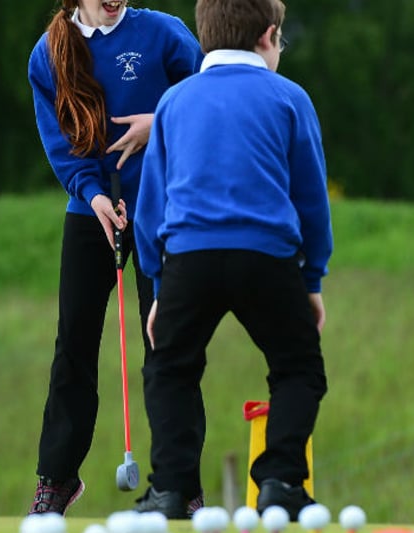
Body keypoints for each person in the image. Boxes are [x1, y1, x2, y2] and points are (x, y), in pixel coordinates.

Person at [133, 0, 332, 519]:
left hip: (189, 258)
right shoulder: (290, 98)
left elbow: (152, 202)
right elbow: (310, 198)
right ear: (268, 36)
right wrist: (311, 280)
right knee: (297, 368)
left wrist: (156, 285)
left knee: (170, 368)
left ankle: (171, 490)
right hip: (266, 257)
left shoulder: (174, 102)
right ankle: (281, 481)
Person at [26, 0, 204, 516]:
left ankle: (180, 484)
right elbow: (60, 142)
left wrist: (160, 122)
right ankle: (56, 480)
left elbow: (203, 95)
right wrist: (92, 194)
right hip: (90, 209)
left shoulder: (164, 33)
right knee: (74, 345)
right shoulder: (49, 54)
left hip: (161, 206)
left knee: (167, 342)